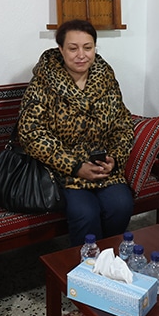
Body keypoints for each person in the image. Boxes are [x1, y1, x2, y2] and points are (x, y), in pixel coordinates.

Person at [17, 19, 135, 245]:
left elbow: (123, 123)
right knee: (85, 213)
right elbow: (31, 133)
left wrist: (115, 160)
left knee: (121, 205)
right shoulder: (43, 83)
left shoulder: (106, 79)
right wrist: (75, 166)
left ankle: (110, 261)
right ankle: (87, 270)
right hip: (62, 170)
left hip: (102, 166)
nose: (81, 55)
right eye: (73, 48)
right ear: (60, 49)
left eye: (88, 47)